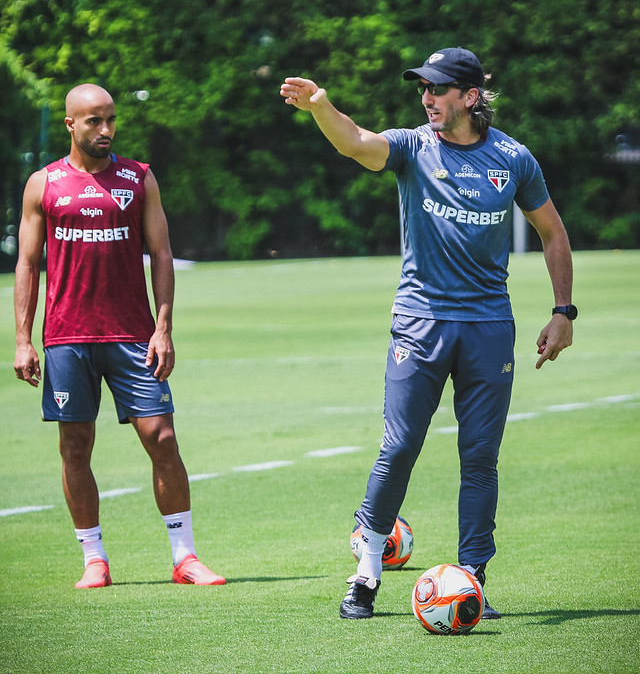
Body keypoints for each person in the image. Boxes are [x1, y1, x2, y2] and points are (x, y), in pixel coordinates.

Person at [280, 47, 575, 619]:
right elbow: (356, 142)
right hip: (420, 323)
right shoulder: (414, 147)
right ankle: (365, 574)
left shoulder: (513, 158)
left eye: (438, 89)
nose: (426, 98)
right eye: (423, 89)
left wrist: (564, 311)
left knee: (480, 456)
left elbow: (553, 233)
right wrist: (321, 107)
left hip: (489, 326)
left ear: (470, 96)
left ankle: (472, 577)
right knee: (400, 445)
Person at [14, 83, 226, 589]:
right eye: (93, 120)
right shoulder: (43, 184)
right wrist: (23, 338)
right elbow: (26, 263)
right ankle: (94, 558)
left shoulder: (138, 179)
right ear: (71, 123)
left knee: (164, 439)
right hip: (67, 338)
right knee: (75, 446)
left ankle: (185, 556)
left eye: (110, 119)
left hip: (133, 335)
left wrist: (164, 327)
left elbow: (163, 255)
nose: (105, 129)